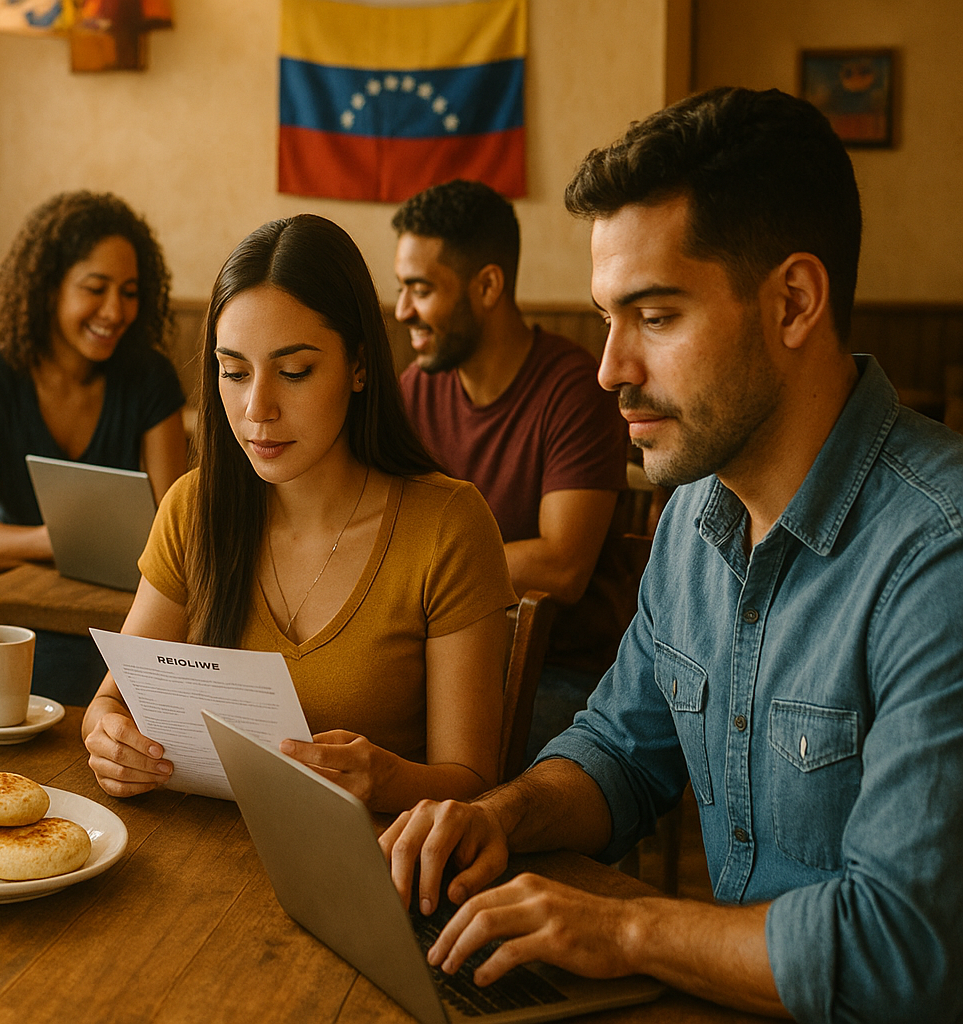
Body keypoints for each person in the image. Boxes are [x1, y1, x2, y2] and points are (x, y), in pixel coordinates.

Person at [380, 87, 963, 1022]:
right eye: (608, 317)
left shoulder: (938, 558)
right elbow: (622, 747)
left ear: (795, 303)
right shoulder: (692, 514)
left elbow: (900, 958)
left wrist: (622, 931)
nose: (610, 367)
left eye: (654, 317)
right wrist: (501, 816)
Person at [83, 214, 517, 812]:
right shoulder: (195, 507)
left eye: (294, 372)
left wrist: (388, 781)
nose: (258, 407)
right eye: (233, 372)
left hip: (377, 874)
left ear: (359, 365)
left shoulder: (447, 526)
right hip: (201, 857)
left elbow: (473, 781)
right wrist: (109, 742)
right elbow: (112, 704)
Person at [392, 180, 630, 761]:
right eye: (402, 289)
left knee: (434, 760)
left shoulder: (575, 389)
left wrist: (428, 570)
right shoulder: (416, 389)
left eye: (420, 290)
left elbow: (563, 565)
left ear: (489, 285)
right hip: (444, 651)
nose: (402, 312)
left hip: (566, 675)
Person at [0, 191, 186, 705]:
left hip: (125, 624)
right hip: (16, 625)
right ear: (48, 288)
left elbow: (177, 525)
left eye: (130, 291)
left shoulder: (150, 379)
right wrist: (60, 540)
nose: (115, 311)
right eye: (95, 289)